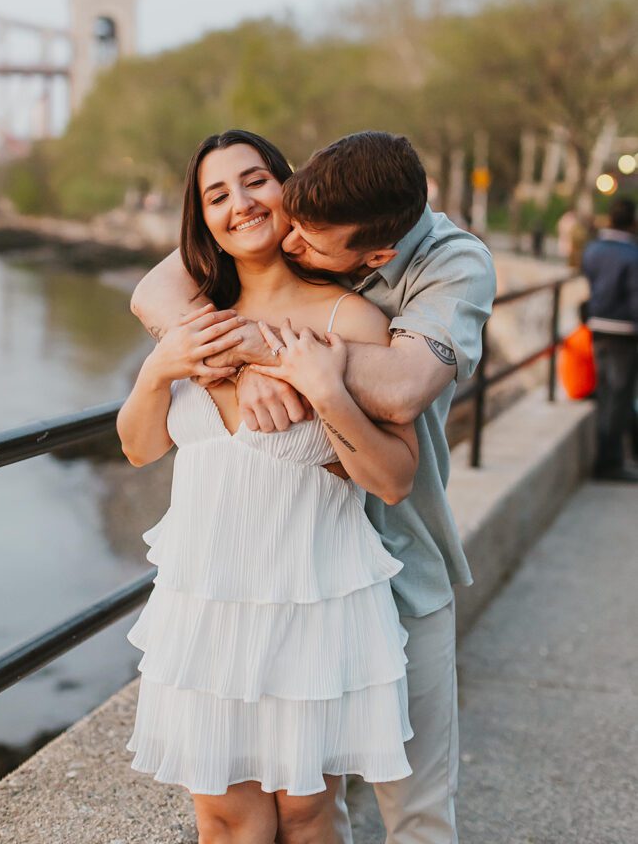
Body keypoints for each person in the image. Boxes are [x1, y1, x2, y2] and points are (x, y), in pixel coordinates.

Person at [131, 129, 496, 844]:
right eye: (220, 194)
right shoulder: (255, 251)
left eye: (306, 237)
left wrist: (273, 356)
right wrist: (209, 360)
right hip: (237, 593)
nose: (287, 237)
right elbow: (153, 291)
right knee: (277, 809)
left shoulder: (447, 266)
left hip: (385, 566)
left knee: (408, 806)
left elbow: (397, 395)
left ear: (375, 258)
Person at [582, 197, 638, 482]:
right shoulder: (632, 255)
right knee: (619, 397)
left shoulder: (593, 249)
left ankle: (608, 457)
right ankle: (609, 462)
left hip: (598, 327)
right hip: (624, 333)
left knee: (606, 393)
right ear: (632, 221)